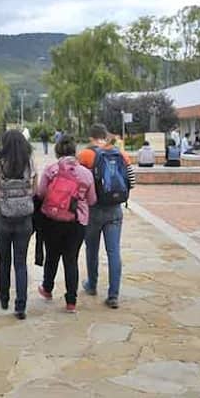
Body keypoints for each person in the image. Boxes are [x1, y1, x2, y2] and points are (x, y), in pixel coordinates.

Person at [37, 134, 97, 313]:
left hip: (52, 220)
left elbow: (40, 193)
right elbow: (92, 200)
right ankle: (71, 301)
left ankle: (47, 289)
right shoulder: (86, 173)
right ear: (74, 150)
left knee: (52, 256)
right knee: (71, 259)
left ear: (57, 150)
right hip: (77, 222)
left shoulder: (51, 169)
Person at [77, 124, 132, 309]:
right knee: (114, 251)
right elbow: (131, 181)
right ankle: (113, 294)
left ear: (91, 137)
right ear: (105, 136)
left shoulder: (85, 155)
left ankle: (92, 285)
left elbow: (79, 181)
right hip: (115, 210)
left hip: (93, 210)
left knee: (91, 249)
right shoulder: (121, 155)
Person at [0, 129, 35, 319]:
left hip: (2, 217)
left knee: (4, 260)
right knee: (21, 262)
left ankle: (4, 297)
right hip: (24, 218)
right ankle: (21, 306)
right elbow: (36, 190)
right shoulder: (29, 162)